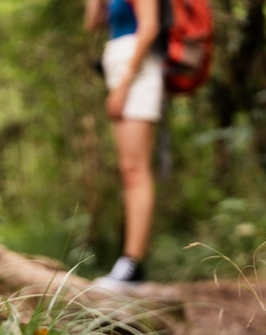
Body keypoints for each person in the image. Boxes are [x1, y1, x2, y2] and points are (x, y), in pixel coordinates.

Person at [84, 0, 163, 287]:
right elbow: (92, 22)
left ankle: (132, 263)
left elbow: (150, 26)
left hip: (136, 71)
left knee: (135, 170)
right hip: (121, 66)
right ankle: (131, 264)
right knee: (128, 170)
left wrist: (124, 83)